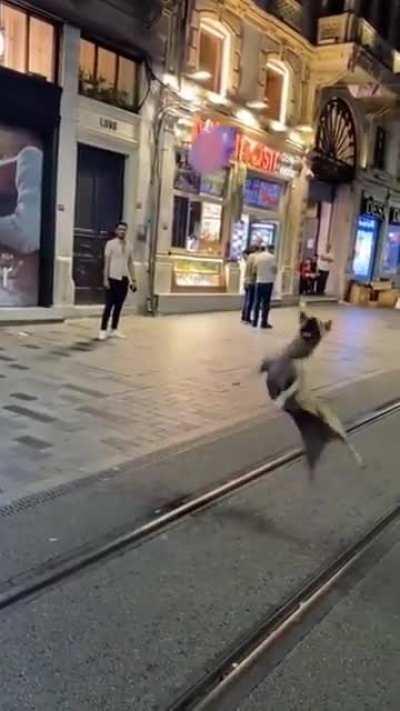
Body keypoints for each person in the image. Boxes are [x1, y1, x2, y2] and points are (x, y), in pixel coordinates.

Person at [99, 221, 136, 341]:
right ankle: (103, 330)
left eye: (124, 229)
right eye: (120, 229)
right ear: (116, 231)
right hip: (112, 277)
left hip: (123, 279)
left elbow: (130, 263)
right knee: (109, 305)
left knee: (119, 306)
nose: (122, 231)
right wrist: (105, 279)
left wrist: (133, 280)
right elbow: (107, 262)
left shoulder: (129, 245)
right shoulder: (110, 244)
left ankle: (114, 329)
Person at [252, 244, 277, 329]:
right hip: (268, 282)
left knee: (257, 302)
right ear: (271, 249)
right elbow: (274, 270)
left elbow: (254, 269)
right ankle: (263, 322)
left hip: (259, 281)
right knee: (266, 303)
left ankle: (254, 322)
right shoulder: (272, 257)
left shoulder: (258, 257)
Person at [241, 247, 257, 323]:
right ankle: (247, 318)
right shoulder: (252, 261)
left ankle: (243, 317)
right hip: (251, 282)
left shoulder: (247, 261)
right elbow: (254, 272)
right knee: (250, 300)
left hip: (246, 281)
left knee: (246, 300)